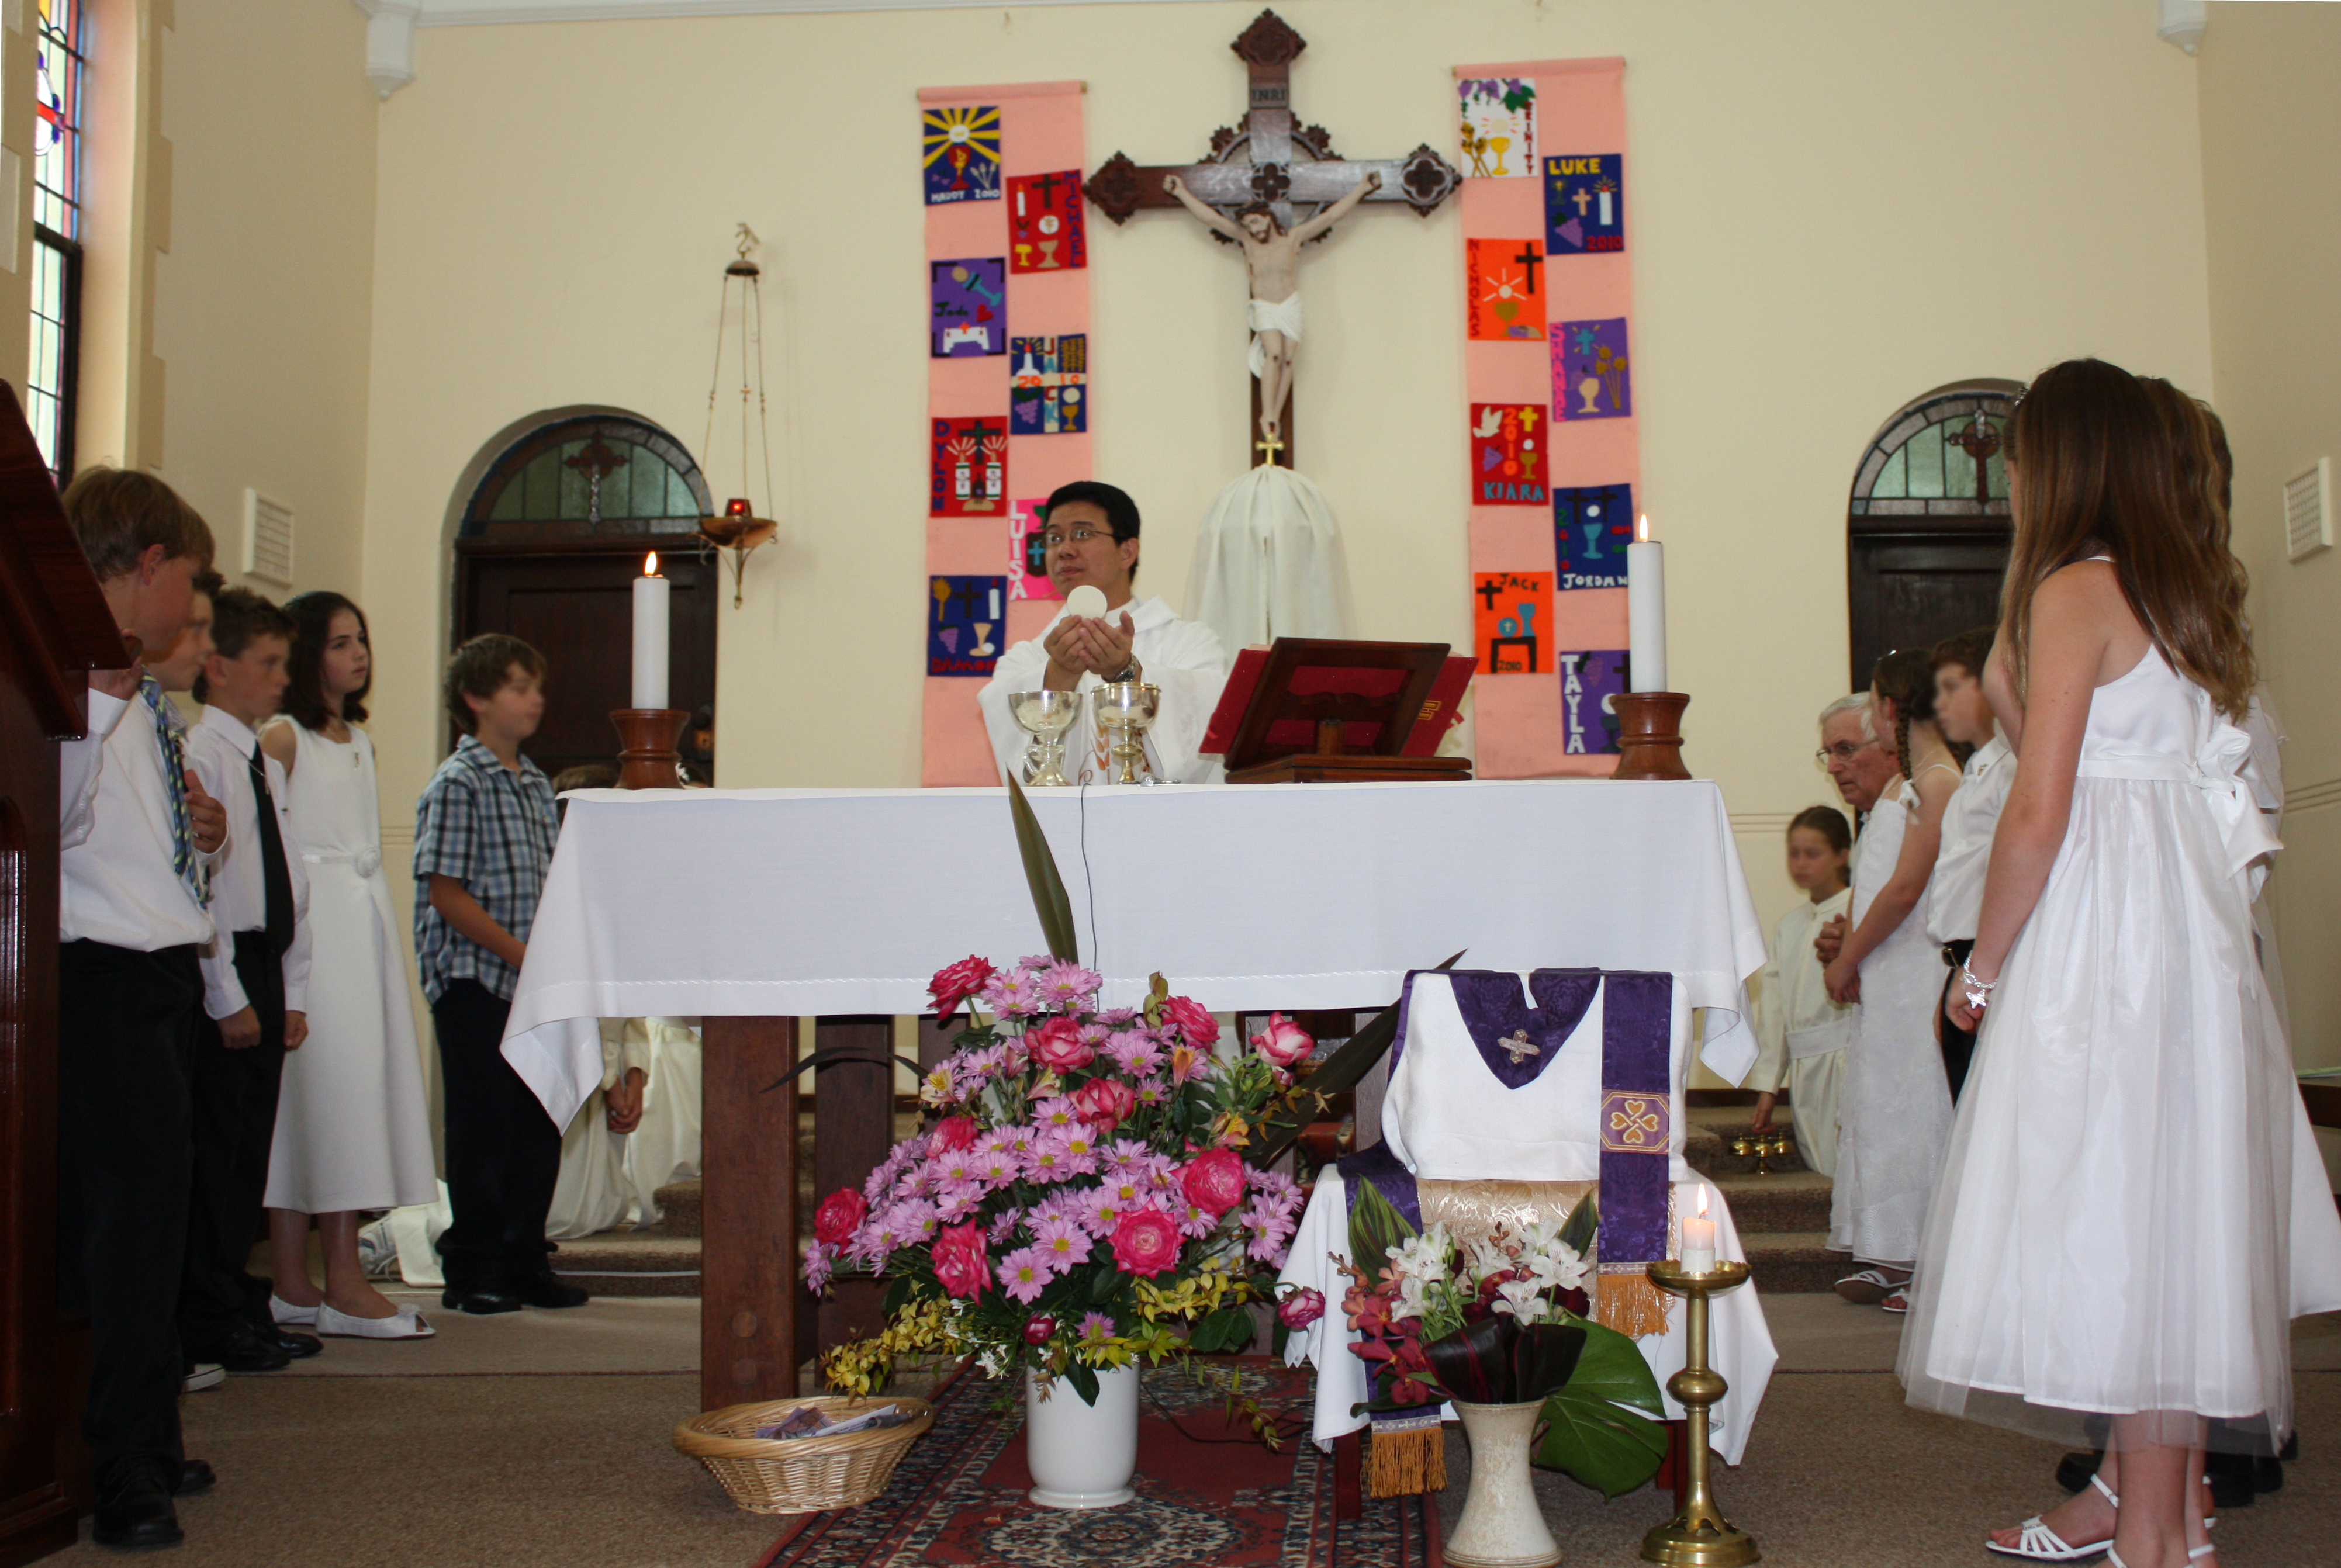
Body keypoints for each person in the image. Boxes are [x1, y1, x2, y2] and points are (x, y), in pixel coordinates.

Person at [1900, 359, 2341, 1568]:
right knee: (2177, 1222)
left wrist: (1980, 967)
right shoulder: (2182, 597)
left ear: (2067, 464)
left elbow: (2036, 812)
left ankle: (2149, 1538)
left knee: (2118, 1217)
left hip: (2106, 935)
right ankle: (2174, 1515)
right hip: (2190, 939)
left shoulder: (2072, 589)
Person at [57, 469, 229, 1549]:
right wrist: (102, 704)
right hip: (101, 982)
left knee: (162, 1224)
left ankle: (152, 1435)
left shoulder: (137, 693)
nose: (193, 606)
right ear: (151, 567)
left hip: (161, 974)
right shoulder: (72, 678)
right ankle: (119, 1467)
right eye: (194, 581)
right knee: (122, 1234)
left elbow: (135, 834)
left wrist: (197, 825)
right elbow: (45, 812)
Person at [261, 591, 439, 1339]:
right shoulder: (283, 737)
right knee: (314, 1099)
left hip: (359, 923)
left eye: (360, 639)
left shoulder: (357, 739)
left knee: (350, 1092)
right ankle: (311, 1277)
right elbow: (268, 837)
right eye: (339, 642)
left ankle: (322, 1276)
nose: (357, 653)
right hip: (314, 928)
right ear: (308, 654)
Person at [413, 634, 585, 1314]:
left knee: (535, 1121)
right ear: (475, 699)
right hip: (475, 979)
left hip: (531, 982)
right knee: (483, 1127)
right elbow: (447, 892)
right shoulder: (456, 782)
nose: (534, 698)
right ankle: (473, 1264)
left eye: (536, 685)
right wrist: (522, 952)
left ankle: (523, 1257)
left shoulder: (536, 782)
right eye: (517, 686)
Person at [178, 589, 320, 1379]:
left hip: (265, 961)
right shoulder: (202, 753)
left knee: (248, 1156)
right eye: (267, 663)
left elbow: (287, 878)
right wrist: (226, 993)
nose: (280, 677)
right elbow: (205, 887)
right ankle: (207, 1313)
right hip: (224, 967)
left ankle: (234, 1298)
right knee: (219, 1152)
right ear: (218, 666)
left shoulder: (261, 757)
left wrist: (293, 987)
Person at [1821, 652, 1958, 1314]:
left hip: (1917, 973)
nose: (1840, 764)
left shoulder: (1927, 787)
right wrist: (1844, 942)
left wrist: (1847, 958)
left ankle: (1926, 1256)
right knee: (1881, 1106)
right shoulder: (1892, 804)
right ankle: (1887, 1248)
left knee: (1918, 1102)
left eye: (1851, 746)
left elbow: (1907, 892)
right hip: (1886, 975)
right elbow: (1878, 892)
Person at [976, 481, 1228, 784]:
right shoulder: (1027, 658)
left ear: (1127, 551)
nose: (1065, 550)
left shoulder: (1189, 643)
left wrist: (1128, 674)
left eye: (1082, 534)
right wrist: (1059, 676)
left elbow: (1211, 722)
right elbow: (1019, 768)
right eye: (1054, 538)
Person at [1924, 626, 2011, 1103]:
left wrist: (1979, 975)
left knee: (1989, 1110)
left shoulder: (2013, 767)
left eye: (1953, 687)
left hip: (1990, 963)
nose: (1941, 704)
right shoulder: (1977, 769)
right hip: (1961, 964)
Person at [1747, 802, 1855, 1177]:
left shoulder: (1857, 914)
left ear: (1842, 855)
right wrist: (1768, 1087)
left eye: (1813, 853)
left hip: (1847, 1058)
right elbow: (1774, 1012)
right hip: (1804, 1065)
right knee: (1820, 1163)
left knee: (1848, 1163)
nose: (1801, 863)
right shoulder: (1788, 926)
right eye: (1794, 853)